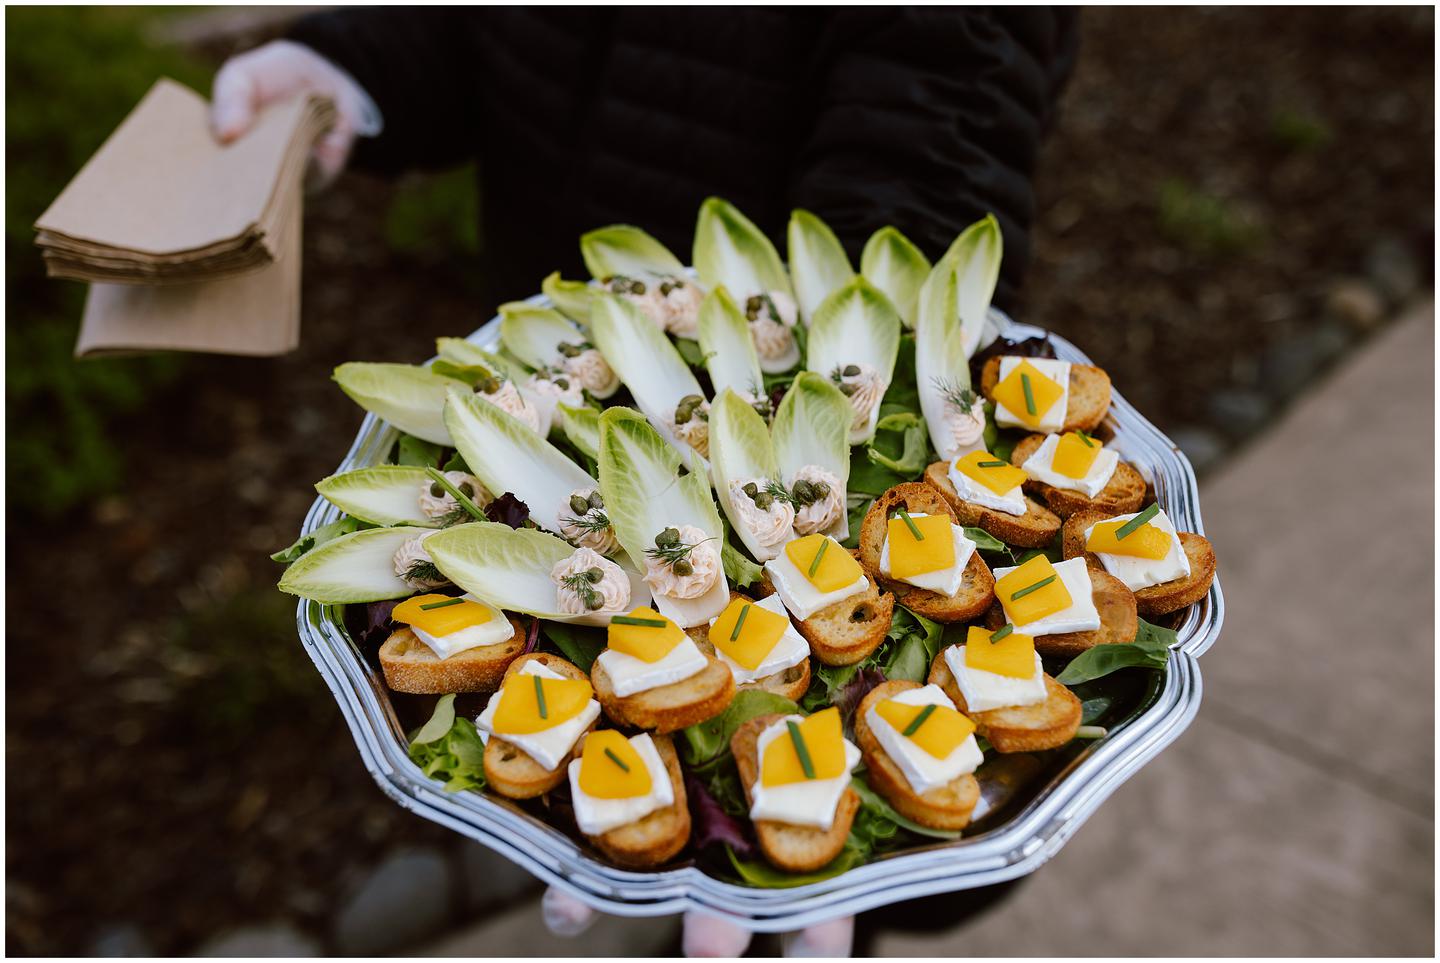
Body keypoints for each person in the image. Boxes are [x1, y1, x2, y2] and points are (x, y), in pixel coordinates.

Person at [211, 8, 1078, 956]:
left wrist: (873, 327)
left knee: (776, 911)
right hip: (570, 334)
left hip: (777, 329)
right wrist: (363, 66)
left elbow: (948, 91)